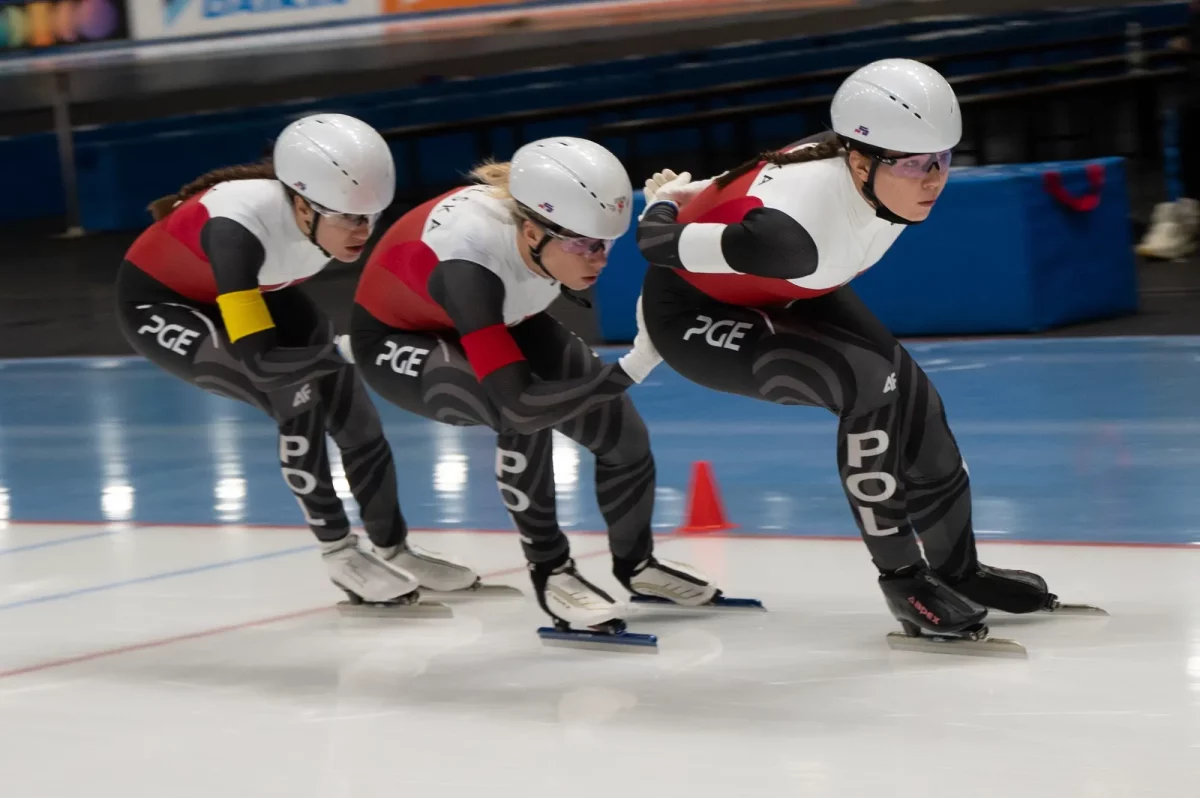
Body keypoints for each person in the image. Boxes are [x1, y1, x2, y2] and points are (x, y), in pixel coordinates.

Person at [634, 59, 1091, 652]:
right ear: (858, 161)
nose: (932, 179)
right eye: (912, 164)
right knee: (867, 381)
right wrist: (663, 199)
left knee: (916, 396)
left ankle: (958, 569)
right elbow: (654, 245)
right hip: (693, 313)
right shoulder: (790, 233)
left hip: (788, 288)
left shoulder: (857, 163)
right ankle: (904, 581)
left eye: (942, 159)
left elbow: (743, 175)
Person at [349, 136, 722, 636]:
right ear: (530, 231)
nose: (600, 259)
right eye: (585, 245)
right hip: (399, 335)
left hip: (503, 312)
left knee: (623, 434)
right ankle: (551, 571)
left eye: (606, 244)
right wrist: (627, 370)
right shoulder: (468, 263)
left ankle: (637, 565)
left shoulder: (547, 228)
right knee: (520, 417)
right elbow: (519, 404)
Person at [115, 113, 481, 612]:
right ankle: (339, 554)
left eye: (373, 216)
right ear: (303, 205)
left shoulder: (319, 213)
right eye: (350, 219)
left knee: (356, 414)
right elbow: (262, 362)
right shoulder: (235, 228)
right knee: (292, 392)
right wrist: (348, 349)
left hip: (260, 290)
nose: (364, 231)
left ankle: (395, 548)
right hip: (165, 304)